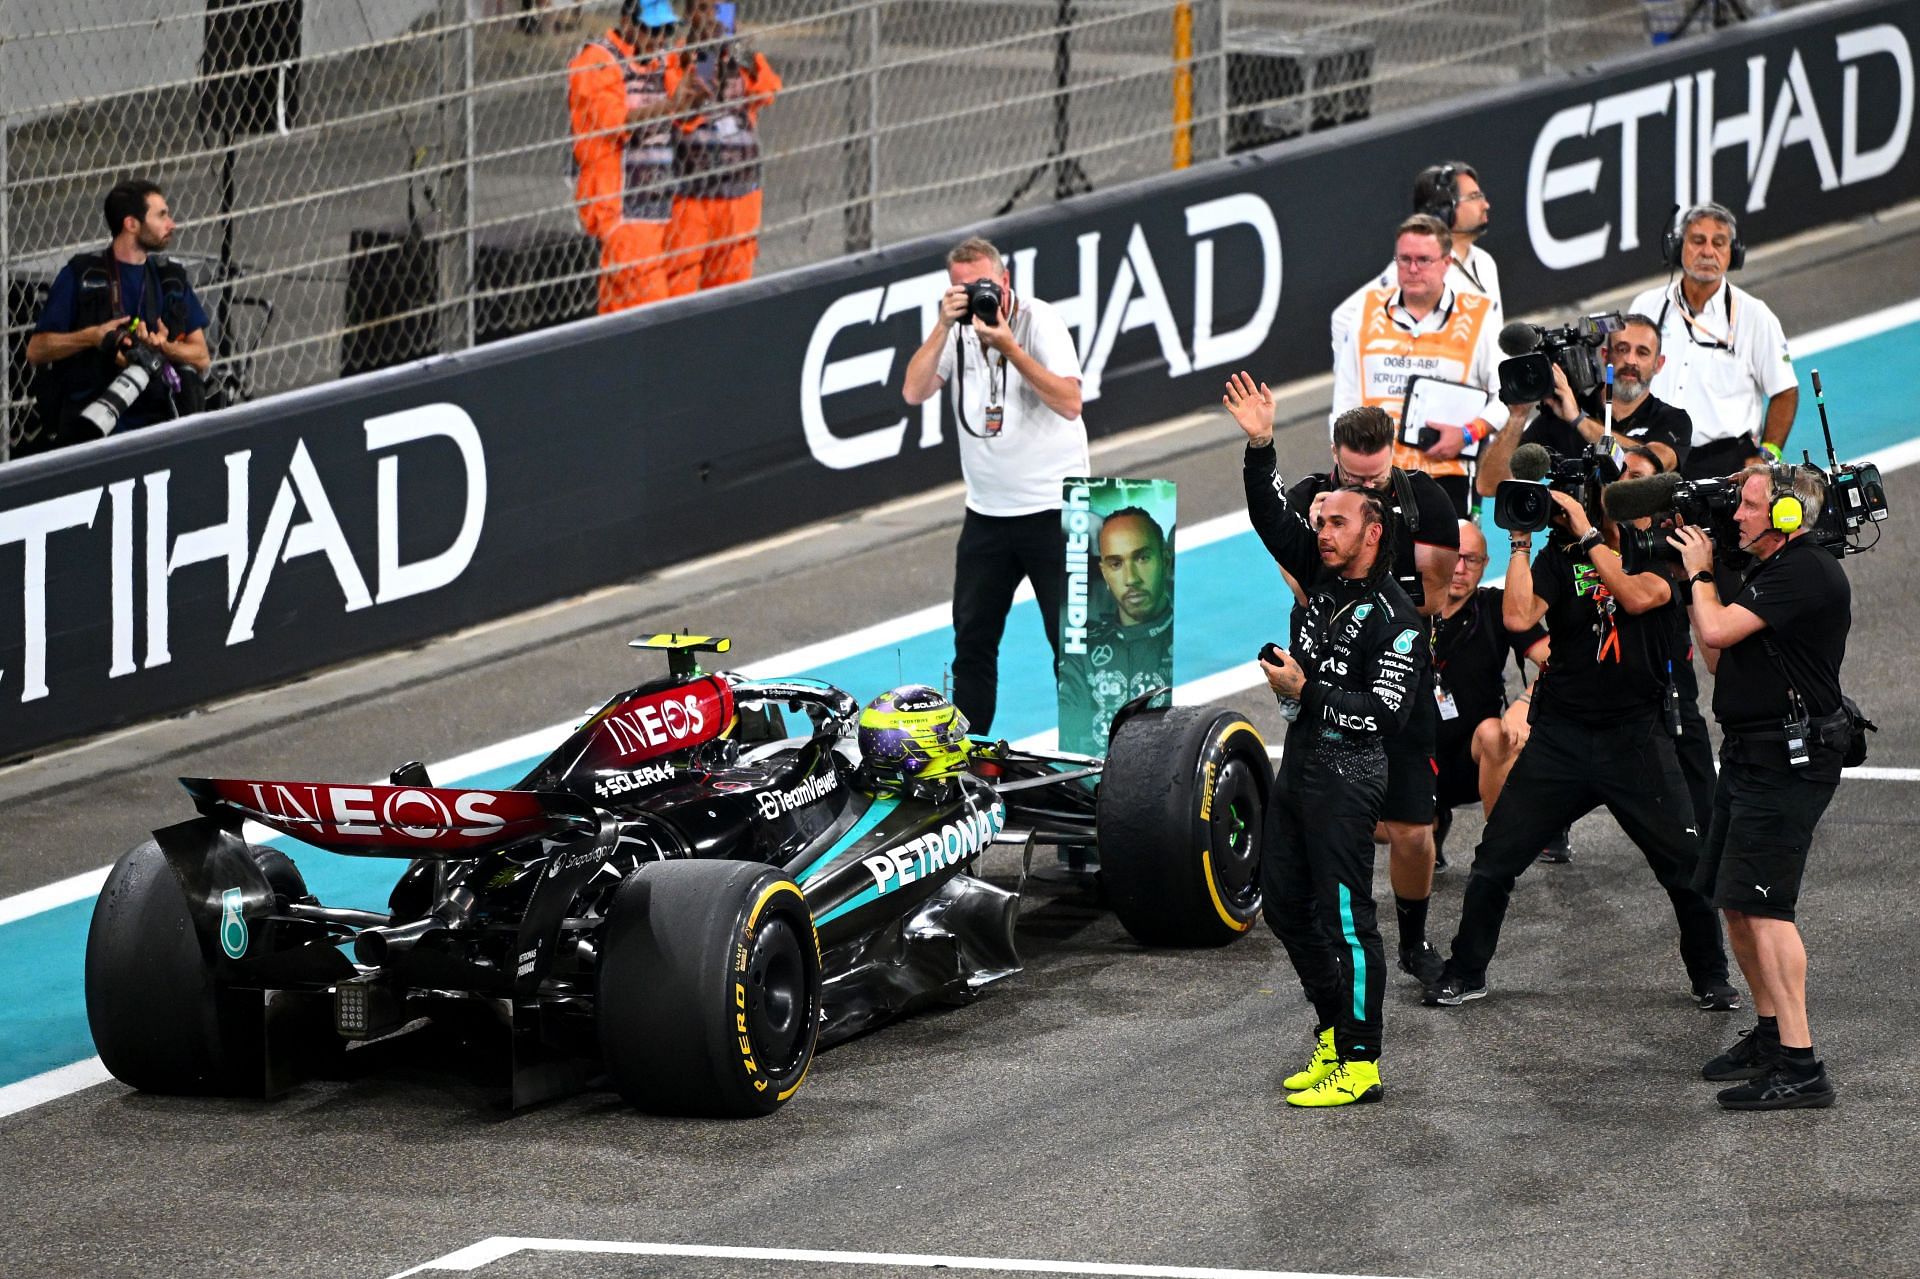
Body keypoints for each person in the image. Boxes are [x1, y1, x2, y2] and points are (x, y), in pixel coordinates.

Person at [1423, 479, 1736, 1012]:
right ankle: (1466, 970)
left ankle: (1711, 976)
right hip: (1562, 738)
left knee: (1685, 865)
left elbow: (1637, 598)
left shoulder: (1656, 552)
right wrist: (1520, 544)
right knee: (1495, 860)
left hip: (1635, 737)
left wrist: (1592, 536)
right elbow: (1520, 616)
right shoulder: (1556, 556)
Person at [1227, 371, 1427, 1108]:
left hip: (1352, 772)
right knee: (1283, 904)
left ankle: (1364, 1060)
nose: (1321, 531)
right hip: (1303, 761)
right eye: (1322, 522)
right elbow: (1268, 516)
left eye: (1337, 523)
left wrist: (1306, 691)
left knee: (1347, 919)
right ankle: (1333, 1032)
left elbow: (1384, 715)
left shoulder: (1397, 618)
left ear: (1373, 533)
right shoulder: (1320, 568)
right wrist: (1260, 446)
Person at [1669, 464, 1852, 1109]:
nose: (1737, 516)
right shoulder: (1768, 573)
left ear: (1785, 518)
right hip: (1751, 754)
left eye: (1749, 507)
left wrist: (1698, 572)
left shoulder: (1804, 571)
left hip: (1787, 762)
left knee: (1768, 908)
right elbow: (1718, 656)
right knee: (1737, 900)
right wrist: (1712, 576)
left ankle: (1802, 1067)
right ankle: (1773, 1035)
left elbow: (1714, 629)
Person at [1274, 406, 1458, 982]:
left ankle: (1413, 936)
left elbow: (1430, 597)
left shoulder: (1427, 499)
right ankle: (1328, 945)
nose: (1365, 487)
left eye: (1376, 480)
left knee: (1412, 828)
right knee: (1311, 824)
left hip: (1394, 671)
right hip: (1323, 682)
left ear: (1392, 456)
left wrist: (1361, 568)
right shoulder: (1308, 499)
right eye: (1353, 481)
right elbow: (1305, 586)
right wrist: (1324, 540)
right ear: (1335, 459)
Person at [902, 236, 1088, 734]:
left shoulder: (1037, 320)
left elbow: (1070, 402)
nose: (975, 296)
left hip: (1055, 510)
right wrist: (943, 325)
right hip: (986, 515)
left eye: (982, 284)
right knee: (972, 646)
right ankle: (970, 760)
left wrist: (1010, 346)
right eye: (961, 289)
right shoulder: (955, 333)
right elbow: (914, 389)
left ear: (1005, 281)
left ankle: (1094, 762)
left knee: (1072, 650)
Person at [1330, 214, 1504, 518]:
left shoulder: (1478, 316)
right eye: (1404, 259)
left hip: (1445, 476)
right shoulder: (1366, 311)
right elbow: (1344, 399)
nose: (1412, 269)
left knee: (1447, 566)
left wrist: (1467, 434)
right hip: (1372, 478)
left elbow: (1505, 396)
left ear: (1447, 263)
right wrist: (1345, 466)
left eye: (1423, 260)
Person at [26, 179, 211, 451]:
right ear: (131, 224)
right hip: (91, 429)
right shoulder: (81, 276)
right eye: (161, 215)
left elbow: (201, 357)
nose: (171, 224)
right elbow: (36, 350)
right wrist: (93, 337)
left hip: (158, 424)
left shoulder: (169, 278)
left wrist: (163, 348)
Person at [1628, 204, 1798, 481]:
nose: (1708, 252)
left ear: (1733, 253)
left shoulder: (1755, 316)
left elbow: (1785, 392)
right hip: (1655, 455)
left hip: (1724, 463)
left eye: (1719, 243)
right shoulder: (1646, 306)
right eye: (1697, 241)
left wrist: (1767, 455)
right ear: (1677, 247)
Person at [567, 0, 708, 314]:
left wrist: (694, 95)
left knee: (624, 314)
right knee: (654, 312)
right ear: (627, 22)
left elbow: (686, 112)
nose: (659, 39)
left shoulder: (661, 60)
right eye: (652, 29)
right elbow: (618, 121)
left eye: (667, 30)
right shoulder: (595, 62)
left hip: (658, 208)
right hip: (620, 211)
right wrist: (671, 106)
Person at [1429, 519, 1549, 866]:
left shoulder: (1498, 608)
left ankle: (1497, 852)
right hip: (1413, 757)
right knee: (1359, 816)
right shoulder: (1409, 607)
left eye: (1472, 559)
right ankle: (1431, 823)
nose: (1460, 568)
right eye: (1454, 557)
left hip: (1474, 757)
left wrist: (1525, 705)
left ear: (1485, 566)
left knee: (1494, 733)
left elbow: (1560, 662)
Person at [1475, 314, 1694, 491]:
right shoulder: (1557, 417)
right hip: (1572, 543)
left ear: (1659, 364)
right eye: (1622, 349)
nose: (1630, 360)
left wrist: (1578, 419)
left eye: (1642, 353)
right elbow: (1490, 485)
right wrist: (1517, 417)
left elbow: (1651, 462)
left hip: (1636, 542)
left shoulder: (1673, 420)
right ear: (1605, 355)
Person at [666, 0, 782, 296]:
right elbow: (684, 114)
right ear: (690, 13)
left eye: (719, 10)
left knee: (733, 295)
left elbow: (768, 90)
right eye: (703, 9)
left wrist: (742, 52)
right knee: (681, 289)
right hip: (693, 197)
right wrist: (706, 56)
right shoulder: (675, 58)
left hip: (741, 192)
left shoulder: (741, 55)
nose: (711, 18)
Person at [1331, 161, 1501, 355]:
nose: (1485, 205)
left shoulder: (1485, 263)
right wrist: (1356, 379)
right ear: (1444, 212)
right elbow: (1343, 318)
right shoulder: (1415, 272)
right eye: (1474, 197)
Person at [1059, 506, 1174, 747]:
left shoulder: (1185, 641)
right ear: (1104, 572)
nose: (1131, 578)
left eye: (1142, 558)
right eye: (1116, 564)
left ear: (1165, 559)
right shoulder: (1082, 654)